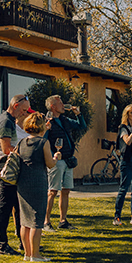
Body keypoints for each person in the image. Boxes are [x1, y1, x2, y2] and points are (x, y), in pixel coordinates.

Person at [15, 112, 63, 262]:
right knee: (37, 219)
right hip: (38, 182)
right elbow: (49, 163)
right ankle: (36, 255)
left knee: (25, 220)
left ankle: (27, 253)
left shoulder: (22, 142)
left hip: (22, 183)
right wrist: (56, 157)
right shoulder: (43, 143)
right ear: (41, 127)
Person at [0, 94, 31, 256]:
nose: (24, 113)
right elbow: (7, 149)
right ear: (15, 106)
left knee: (18, 207)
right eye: (23, 110)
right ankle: (2, 245)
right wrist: (27, 155)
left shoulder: (6, 119)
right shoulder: (6, 121)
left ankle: (24, 243)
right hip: (8, 169)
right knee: (6, 207)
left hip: (11, 168)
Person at [43, 95, 84, 231]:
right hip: (57, 161)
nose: (63, 105)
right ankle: (46, 222)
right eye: (60, 103)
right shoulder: (48, 122)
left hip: (68, 159)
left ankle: (63, 220)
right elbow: (43, 140)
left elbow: (81, 126)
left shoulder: (65, 119)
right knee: (53, 191)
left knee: (66, 190)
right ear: (53, 106)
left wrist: (79, 115)